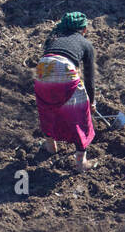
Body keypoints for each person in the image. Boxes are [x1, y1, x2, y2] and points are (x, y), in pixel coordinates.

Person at [33, 12, 97, 172]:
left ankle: (50, 146)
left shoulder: (53, 39)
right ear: (83, 29)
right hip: (65, 68)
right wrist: (91, 101)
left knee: (47, 106)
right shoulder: (86, 44)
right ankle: (81, 163)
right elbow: (89, 78)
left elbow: (51, 61)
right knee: (79, 113)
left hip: (42, 68)